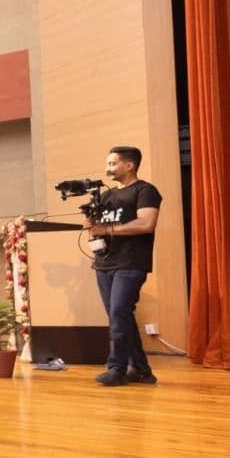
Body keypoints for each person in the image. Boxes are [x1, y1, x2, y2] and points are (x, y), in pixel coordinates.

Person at [85, 145, 163, 386]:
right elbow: (94, 228)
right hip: (104, 263)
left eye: (112, 163)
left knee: (119, 312)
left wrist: (106, 229)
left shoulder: (145, 191)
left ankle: (116, 368)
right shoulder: (107, 196)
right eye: (107, 163)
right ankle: (141, 369)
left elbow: (146, 223)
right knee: (120, 317)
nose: (108, 167)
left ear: (129, 165)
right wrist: (91, 216)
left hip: (131, 262)